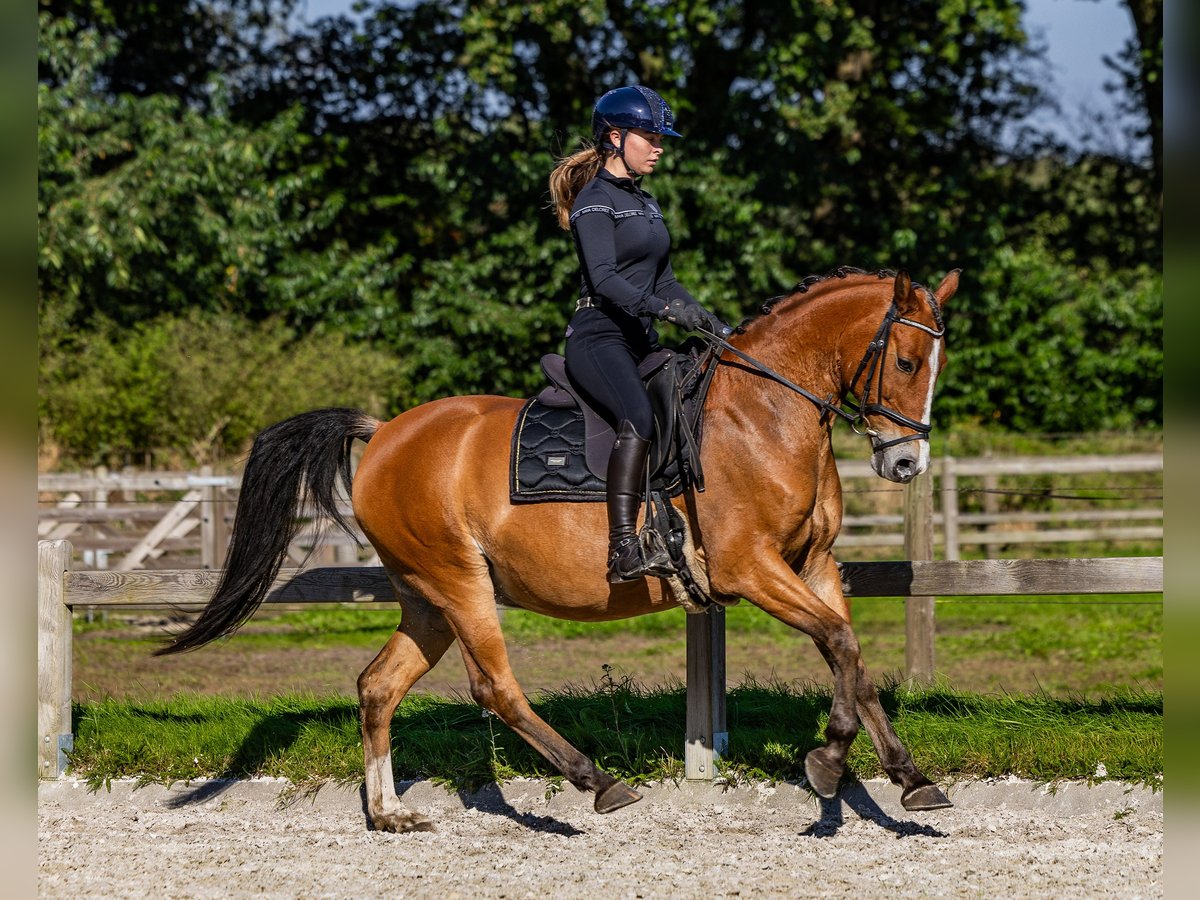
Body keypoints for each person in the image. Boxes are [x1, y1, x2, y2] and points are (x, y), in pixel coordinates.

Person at [548, 85, 732, 584]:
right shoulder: (593, 202)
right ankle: (623, 549)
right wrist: (663, 309)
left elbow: (665, 280)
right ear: (616, 137)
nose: (659, 147)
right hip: (598, 335)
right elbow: (605, 279)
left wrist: (710, 321)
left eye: (659, 138)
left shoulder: (646, 204)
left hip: (640, 338)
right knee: (638, 416)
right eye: (649, 137)